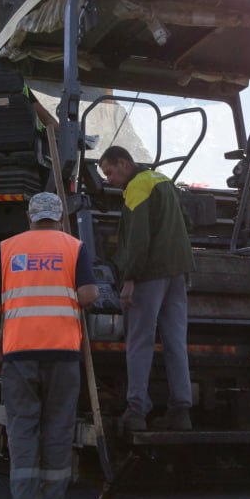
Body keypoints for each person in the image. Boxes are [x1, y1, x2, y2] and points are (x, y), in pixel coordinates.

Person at [0, 192, 99, 499]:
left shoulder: (8, 249)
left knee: (22, 424)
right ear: (61, 217)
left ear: (29, 217)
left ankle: (23, 498)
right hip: (62, 352)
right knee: (58, 425)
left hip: (19, 353)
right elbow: (87, 295)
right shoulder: (73, 247)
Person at [97, 145, 195, 434]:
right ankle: (181, 411)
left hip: (150, 274)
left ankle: (137, 411)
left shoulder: (137, 188)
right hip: (178, 273)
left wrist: (129, 278)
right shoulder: (162, 180)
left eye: (110, 172)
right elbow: (188, 222)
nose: (109, 179)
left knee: (139, 342)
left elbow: (138, 241)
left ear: (124, 163)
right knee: (176, 343)